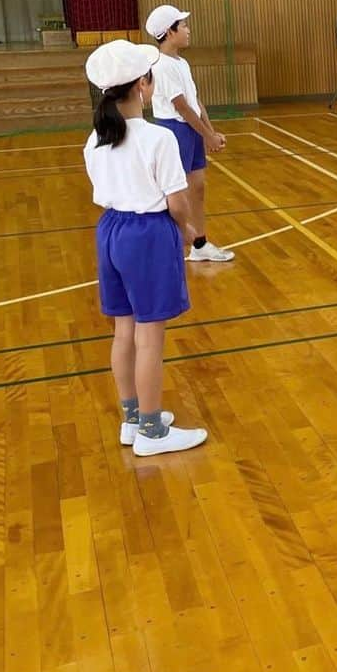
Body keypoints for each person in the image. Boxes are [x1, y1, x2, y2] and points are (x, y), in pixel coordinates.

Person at [84, 40, 209, 457]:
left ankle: (132, 419)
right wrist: (190, 231)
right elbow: (176, 203)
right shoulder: (157, 139)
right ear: (143, 85)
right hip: (148, 235)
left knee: (124, 330)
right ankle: (153, 433)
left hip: (111, 232)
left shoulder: (95, 140)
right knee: (150, 336)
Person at [145, 4, 235, 263]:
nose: (188, 30)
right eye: (183, 26)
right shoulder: (161, 65)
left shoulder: (181, 62)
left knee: (197, 187)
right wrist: (206, 135)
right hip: (175, 130)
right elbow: (181, 106)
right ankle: (170, 242)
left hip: (191, 129)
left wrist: (210, 131)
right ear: (169, 32)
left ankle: (200, 243)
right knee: (175, 193)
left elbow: (195, 101)